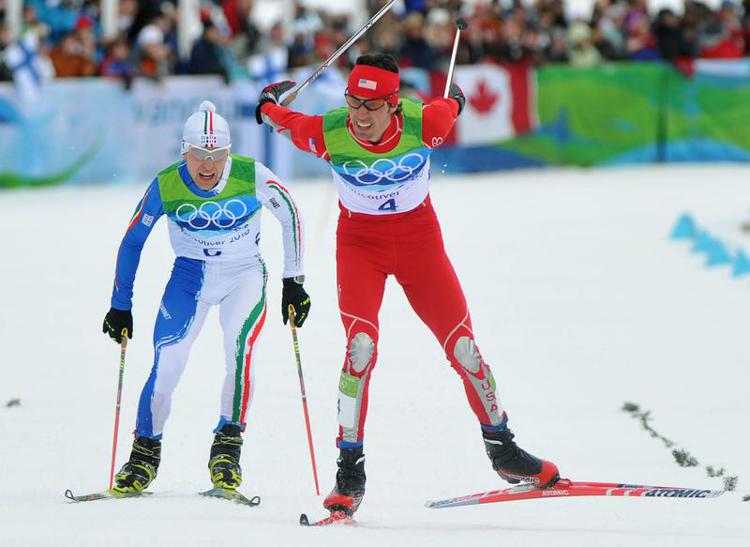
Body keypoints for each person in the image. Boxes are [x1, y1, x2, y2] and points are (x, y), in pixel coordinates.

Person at [255, 53, 559, 517]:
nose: (359, 115)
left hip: (420, 246)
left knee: (465, 351)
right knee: (360, 350)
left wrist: (454, 99)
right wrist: (269, 103)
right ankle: (349, 470)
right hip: (360, 247)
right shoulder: (330, 131)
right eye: (353, 102)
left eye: (371, 106)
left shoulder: (426, 123)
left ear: (394, 105)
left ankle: (503, 449)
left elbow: (451, 105)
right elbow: (283, 119)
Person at [102, 100, 310, 494]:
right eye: (199, 153)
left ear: (229, 152)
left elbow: (291, 215)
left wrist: (293, 281)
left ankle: (227, 449)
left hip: (243, 275)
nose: (208, 164)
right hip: (189, 278)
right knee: (169, 359)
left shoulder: (251, 174)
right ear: (184, 151)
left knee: (238, 347)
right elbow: (133, 241)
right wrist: (120, 304)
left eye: (217, 154)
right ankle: (144, 453)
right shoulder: (167, 183)